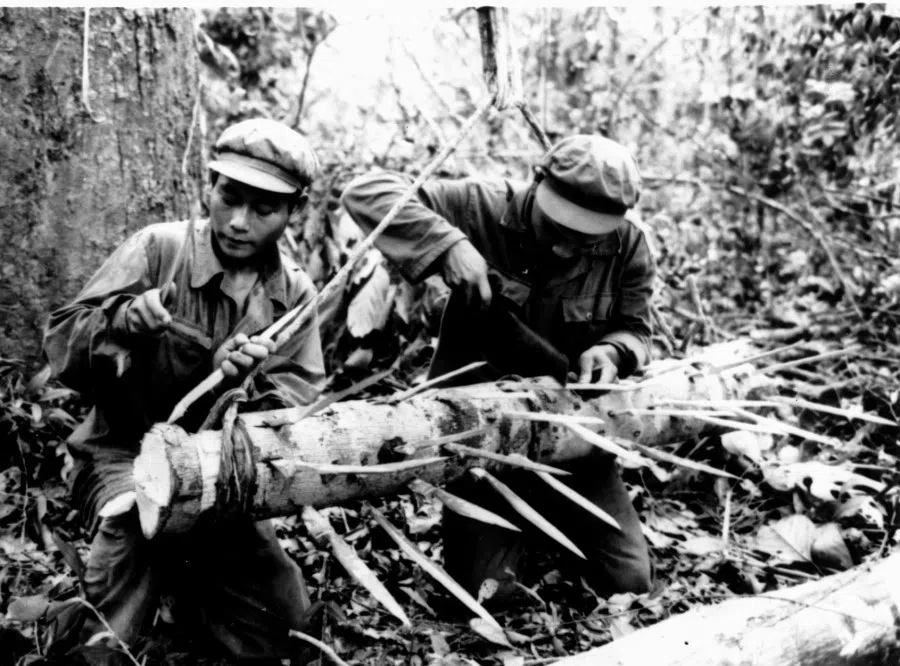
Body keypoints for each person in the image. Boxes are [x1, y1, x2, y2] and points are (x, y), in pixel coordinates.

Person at [42, 118, 326, 663]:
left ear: (295, 212)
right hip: (122, 458)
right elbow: (60, 345)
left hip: (223, 479)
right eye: (229, 198)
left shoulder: (293, 293)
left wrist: (239, 389)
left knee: (283, 632)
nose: (239, 222)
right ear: (210, 187)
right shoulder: (159, 250)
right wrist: (122, 322)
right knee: (107, 627)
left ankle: (192, 591)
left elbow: (295, 414)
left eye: (264, 210)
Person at [341, 134, 656, 603]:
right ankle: (518, 526)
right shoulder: (479, 207)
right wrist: (447, 245)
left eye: (587, 236)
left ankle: (545, 519)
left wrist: (612, 351)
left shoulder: (627, 246)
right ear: (536, 184)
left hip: (573, 438)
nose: (569, 248)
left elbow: (638, 330)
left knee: (629, 582)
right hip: (481, 444)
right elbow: (365, 193)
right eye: (561, 228)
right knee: (491, 594)